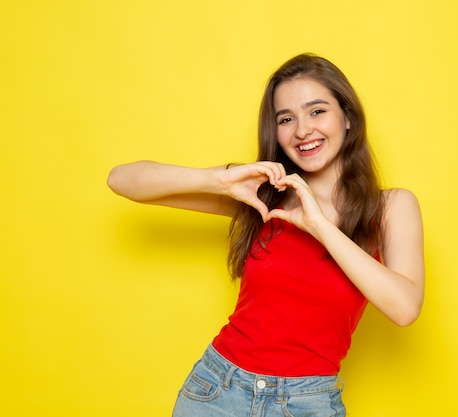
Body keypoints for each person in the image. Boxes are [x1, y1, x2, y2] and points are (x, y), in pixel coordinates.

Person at [107, 53, 424, 417]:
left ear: (348, 117)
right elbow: (122, 180)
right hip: (218, 391)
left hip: (309, 402)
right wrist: (218, 179)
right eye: (286, 119)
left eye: (317, 111)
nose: (302, 130)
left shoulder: (390, 207)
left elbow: (404, 308)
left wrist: (319, 225)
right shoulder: (263, 192)